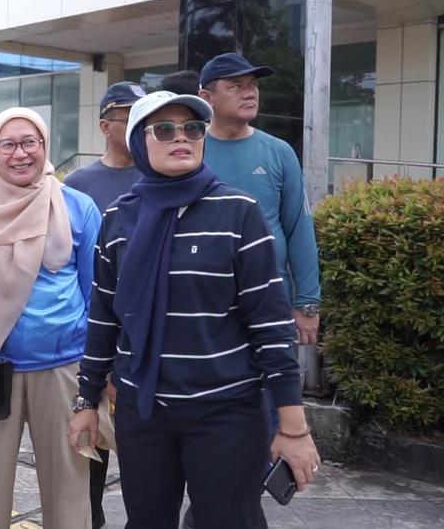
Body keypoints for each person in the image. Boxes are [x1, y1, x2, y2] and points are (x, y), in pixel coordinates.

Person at [69, 91, 320, 529]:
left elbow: (271, 326)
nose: (180, 137)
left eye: (192, 128)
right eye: (163, 129)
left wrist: (292, 426)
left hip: (226, 413)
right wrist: (86, 400)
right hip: (142, 412)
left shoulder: (238, 212)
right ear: (140, 142)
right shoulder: (118, 219)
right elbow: (104, 318)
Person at [0, 107, 101, 529]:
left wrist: (100, 371)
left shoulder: (78, 207)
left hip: (65, 366)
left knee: (68, 488)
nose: (20, 153)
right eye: (7, 144)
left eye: (30, 142)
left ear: (45, 146)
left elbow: (96, 293)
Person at [63, 81, 147, 528]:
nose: (139, 124)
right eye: (128, 116)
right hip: (97, 341)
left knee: (144, 464)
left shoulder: (164, 179)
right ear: (104, 126)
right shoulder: (77, 186)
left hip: (147, 345)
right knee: (91, 454)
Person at [197, 53, 322, 345]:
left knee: (274, 385)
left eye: (253, 84)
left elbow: (299, 229)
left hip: (270, 296)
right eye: (236, 85)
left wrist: (307, 302)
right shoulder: (189, 151)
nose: (249, 92)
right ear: (206, 96)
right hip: (201, 300)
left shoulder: (279, 152)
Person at [65, 81, 146, 214]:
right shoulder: (76, 184)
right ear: (105, 127)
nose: (139, 128)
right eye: (131, 121)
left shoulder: (159, 177)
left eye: (144, 121)